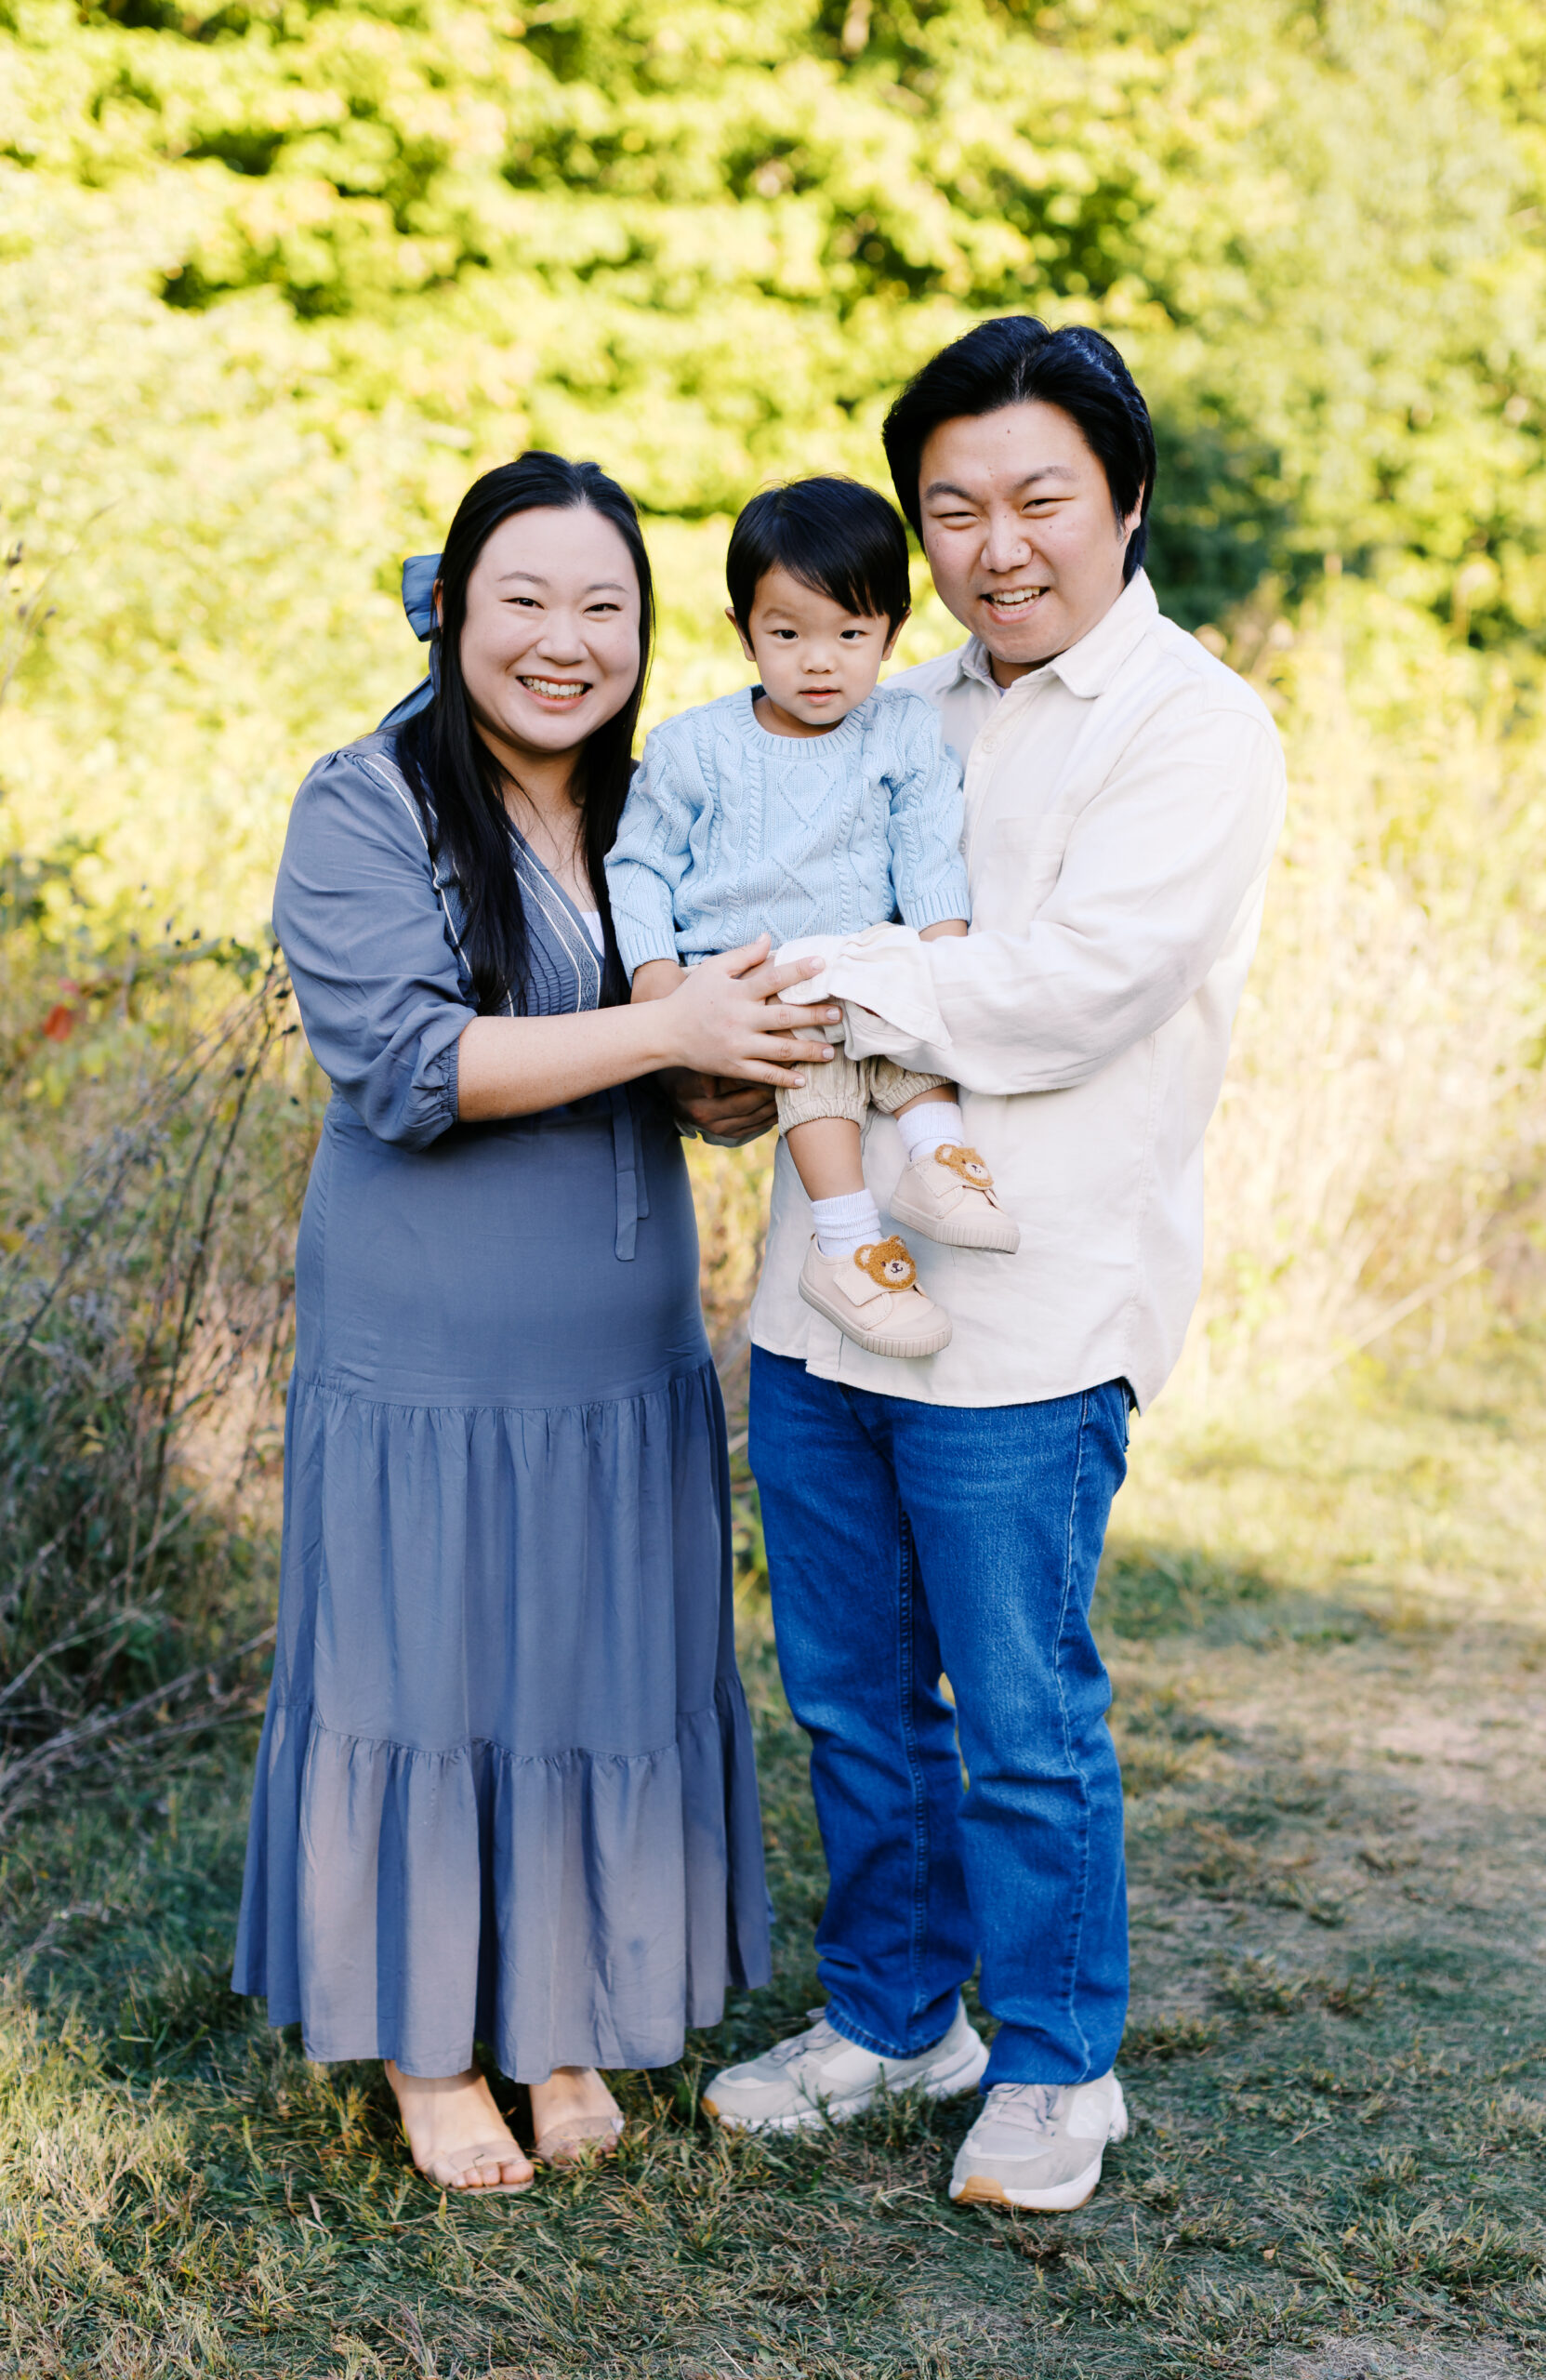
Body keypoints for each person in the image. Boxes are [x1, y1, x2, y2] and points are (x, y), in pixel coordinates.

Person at [700, 320, 1287, 2214]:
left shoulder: (1192, 726)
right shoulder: (889, 705)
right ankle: (892, 2015)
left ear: (1122, 498)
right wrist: (725, 1020)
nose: (995, 542)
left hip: (1032, 1321)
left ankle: (1051, 2060)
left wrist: (810, 980)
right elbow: (749, 896)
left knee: (1021, 1711)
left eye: (1038, 495)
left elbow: (1069, 986)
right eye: (950, 506)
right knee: (855, 1694)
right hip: (820, 1284)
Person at [232, 451, 841, 2195]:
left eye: (605, 609)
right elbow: (412, 1065)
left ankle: (563, 2020)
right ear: (455, 610)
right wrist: (667, 1039)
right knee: (429, 1672)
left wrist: (727, 1076)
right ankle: (432, 2055)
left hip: (622, 1339)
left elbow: (667, 1051)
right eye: (527, 600)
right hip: (429, 1351)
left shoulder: (655, 800)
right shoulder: (365, 802)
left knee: (589, 1664)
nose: (565, 643)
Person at [606, 477, 1019, 1364]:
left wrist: (941, 966)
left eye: (850, 634)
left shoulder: (902, 731)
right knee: (816, 1068)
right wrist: (657, 981)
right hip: (751, 972)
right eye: (786, 635)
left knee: (902, 1024)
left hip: (864, 959)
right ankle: (846, 1248)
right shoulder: (693, 747)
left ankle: (940, 1159)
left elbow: (925, 849)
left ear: (893, 633)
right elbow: (639, 865)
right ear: (742, 631)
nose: (819, 661)